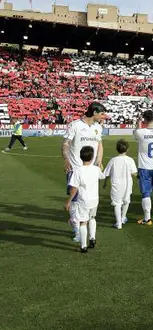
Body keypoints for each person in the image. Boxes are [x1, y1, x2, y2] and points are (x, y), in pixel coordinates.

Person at [61, 101, 106, 242]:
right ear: (94, 113)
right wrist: (66, 158)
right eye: (101, 114)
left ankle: (83, 228)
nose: (103, 117)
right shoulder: (75, 125)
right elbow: (65, 143)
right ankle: (77, 230)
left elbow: (99, 145)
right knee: (75, 200)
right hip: (75, 169)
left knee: (88, 200)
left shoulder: (98, 127)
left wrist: (99, 161)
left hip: (91, 170)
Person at [65, 146, 105, 253]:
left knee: (83, 222)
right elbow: (102, 176)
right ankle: (92, 238)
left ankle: (83, 246)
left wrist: (68, 201)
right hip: (95, 199)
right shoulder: (95, 169)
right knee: (92, 218)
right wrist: (99, 166)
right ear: (92, 157)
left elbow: (74, 189)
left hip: (83, 200)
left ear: (80, 156)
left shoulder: (78, 171)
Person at [103, 139, 138, 229]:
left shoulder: (113, 160)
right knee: (126, 200)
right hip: (127, 184)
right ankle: (123, 218)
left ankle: (119, 223)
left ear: (116, 149)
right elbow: (134, 173)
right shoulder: (130, 160)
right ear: (127, 149)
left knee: (117, 203)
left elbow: (106, 173)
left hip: (116, 184)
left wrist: (105, 183)